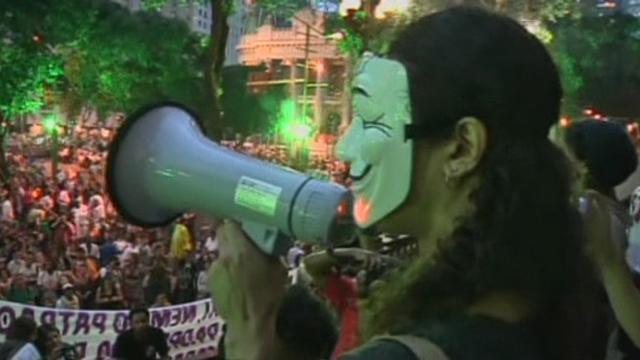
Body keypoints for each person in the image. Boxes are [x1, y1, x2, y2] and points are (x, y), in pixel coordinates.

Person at [208, 7, 599, 360]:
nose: (346, 147)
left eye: (373, 121)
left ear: (462, 148)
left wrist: (250, 327)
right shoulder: (558, 306)